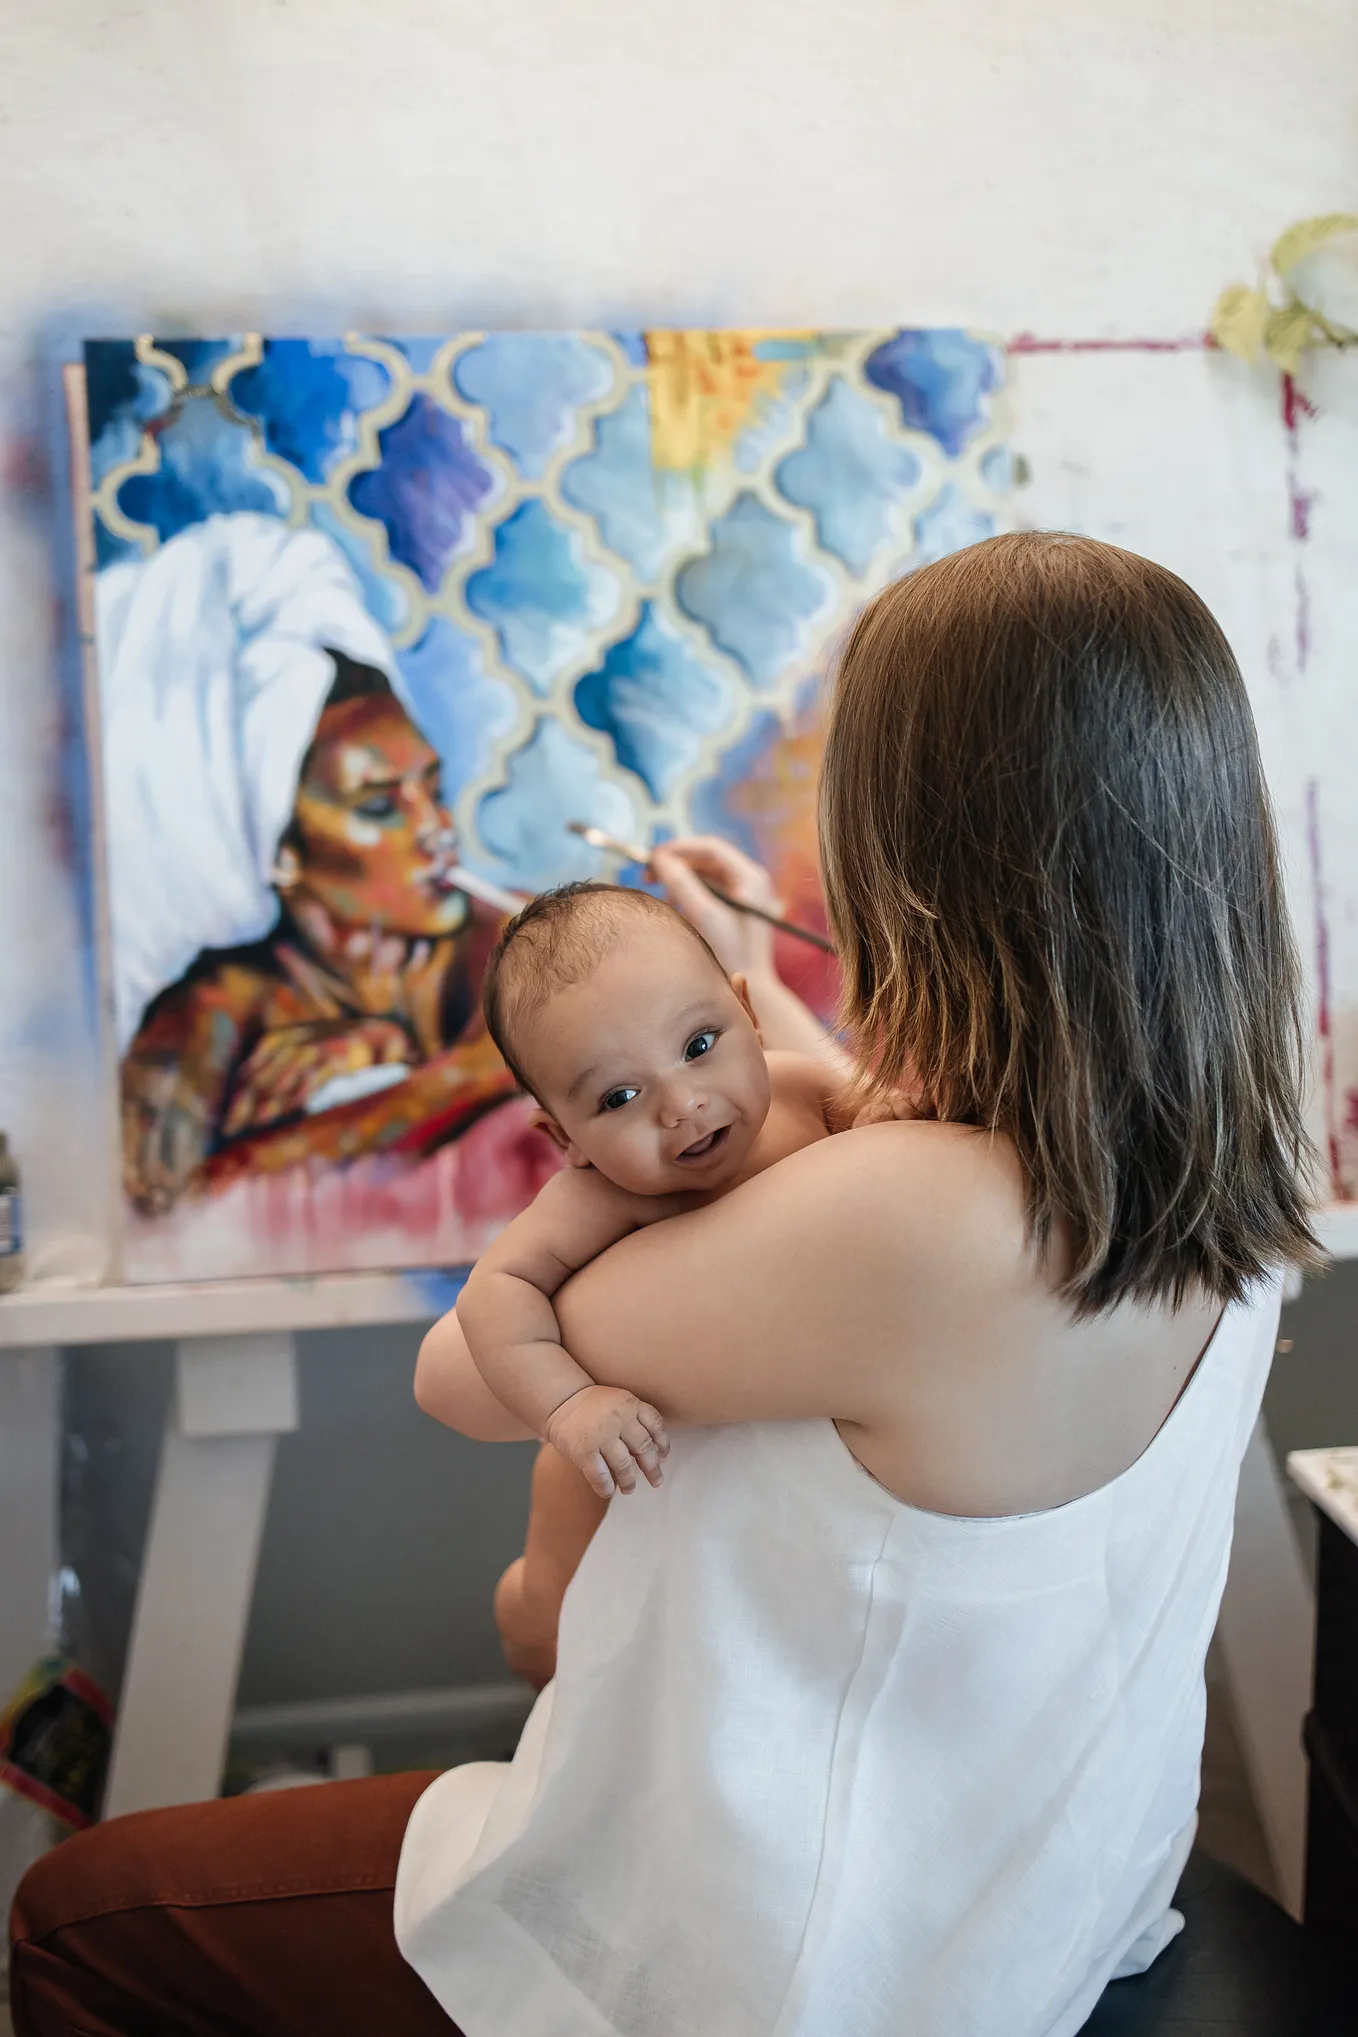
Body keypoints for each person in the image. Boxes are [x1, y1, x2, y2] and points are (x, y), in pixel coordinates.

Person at [10, 533, 1318, 2037]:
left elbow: (464, 1378)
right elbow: (844, 1118)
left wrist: (598, 1157)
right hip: (1042, 1905)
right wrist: (722, 984)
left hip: (807, 1966)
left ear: (915, 856)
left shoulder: (906, 1216)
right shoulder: (1220, 1175)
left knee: (75, 1918)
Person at [100, 512, 521, 1214]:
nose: (437, 830)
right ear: (285, 855)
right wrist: (471, 1068)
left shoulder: (507, 941)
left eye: (433, 789)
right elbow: (174, 1211)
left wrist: (426, 1064)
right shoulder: (216, 1009)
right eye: (381, 806)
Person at [455, 882, 844, 1497]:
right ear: (566, 1138)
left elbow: (883, 1112)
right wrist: (569, 1406)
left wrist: (888, 1110)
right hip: (669, 1460)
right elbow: (495, 1293)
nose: (682, 1105)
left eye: (698, 1046)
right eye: (620, 1097)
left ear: (749, 1015)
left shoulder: (803, 1088)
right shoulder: (602, 1197)